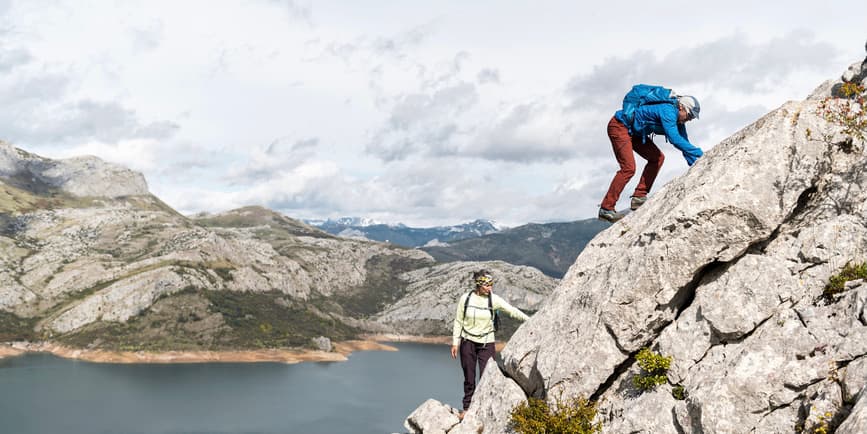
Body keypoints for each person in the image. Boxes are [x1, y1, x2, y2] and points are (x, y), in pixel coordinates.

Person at [598, 89, 703, 223]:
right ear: (681, 107)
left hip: (635, 132)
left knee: (657, 158)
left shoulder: (679, 121)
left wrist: (697, 163)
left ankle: (639, 198)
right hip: (620, 126)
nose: (689, 120)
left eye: (692, 118)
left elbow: (684, 144)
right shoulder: (668, 111)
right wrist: (700, 154)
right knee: (628, 168)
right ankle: (606, 208)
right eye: (689, 116)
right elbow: (675, 139)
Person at [450, 269, 529, 419]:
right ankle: (467, 408)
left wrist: (531, 320)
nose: (490, 287)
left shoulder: (494, 300)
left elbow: (511, 311)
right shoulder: (465, 299)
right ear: (479, 285)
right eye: (487, 285)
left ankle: (484, 409)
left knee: (486, 376)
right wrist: (455, 342)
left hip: (487, 343)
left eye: (491, 284)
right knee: (469, 377)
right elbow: (458, 321)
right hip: (468, 342)